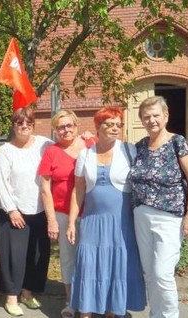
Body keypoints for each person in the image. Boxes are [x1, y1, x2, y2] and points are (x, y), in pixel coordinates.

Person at [66, 106, 146, 317]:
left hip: (122, 224)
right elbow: (79, 190)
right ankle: (85, 312)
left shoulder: (130, 151)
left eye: (118, 125)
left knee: (116, 267)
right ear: (97, 127)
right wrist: (72, 221)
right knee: (88, 266)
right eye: (109, 124)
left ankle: (112, 312)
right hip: (92, 222)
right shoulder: (85, 154)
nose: (114, 128)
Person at [129, 96, 188, 318]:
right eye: (146, 116)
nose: (151, 120)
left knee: (162, 273)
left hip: (169, 218)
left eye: (155, 115)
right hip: (141, 215)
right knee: (149, 273)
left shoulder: (177, 142)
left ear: (166, 115)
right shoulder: (140, 146)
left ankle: (169, 315)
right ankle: (156, 314)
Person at [0, 107, 53, 316]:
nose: (24, 126)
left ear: (33, 125)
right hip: (13, 213)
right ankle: (11, 296)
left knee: (36, 255)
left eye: (28, 123)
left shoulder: (45, 145)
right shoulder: (6, 151)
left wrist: (88, 140)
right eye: (20, 123)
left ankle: (27, 294)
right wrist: (11, 210)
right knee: (13, 257)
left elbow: (66, 150)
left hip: (39, 211)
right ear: (14, 125)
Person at [37, 110, 91, 318]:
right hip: (62, 213)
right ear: (55, 130)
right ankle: (70, 301)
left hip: (90, 214)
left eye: (69, 125)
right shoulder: (52, 151)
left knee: (89, 259)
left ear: (77, 125)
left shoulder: (91, 145)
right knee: (68, 258)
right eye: (61, 127)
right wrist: (51, 220)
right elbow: (45, 188)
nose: (66, 130)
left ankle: (89, 300)